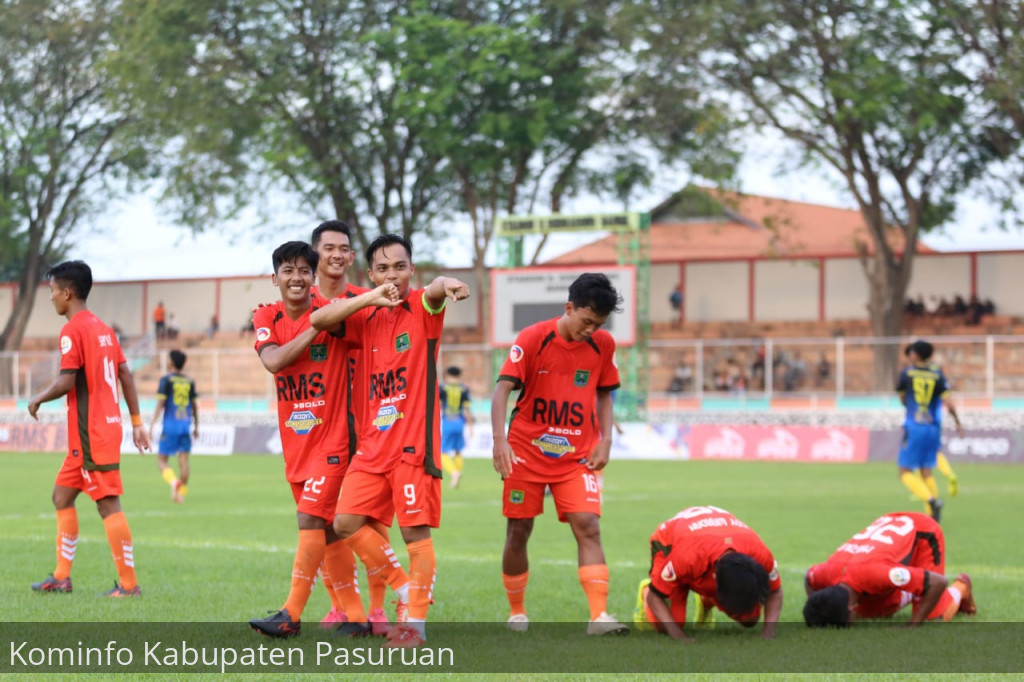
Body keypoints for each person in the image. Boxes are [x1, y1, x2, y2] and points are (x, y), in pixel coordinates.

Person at [311, 233, 471, 648]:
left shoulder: (421, 307)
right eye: (382, 269)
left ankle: (414, 628)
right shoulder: (363, 316)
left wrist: (446, 282)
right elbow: (319, 321)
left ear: (411, 270)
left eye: (400, 267)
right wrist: (368, 298)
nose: (392, 276)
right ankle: (405, 589)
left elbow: (435, 292)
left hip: (412, 445)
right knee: (344, 522)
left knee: (415, 535)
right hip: (372, 447)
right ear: (370, 275)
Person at [248, 241, 400, 640]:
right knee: (330, 531)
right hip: (296, 442)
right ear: (276, 277)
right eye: (287, 271)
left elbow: (361, 320)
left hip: (335, 439)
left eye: (303, 271)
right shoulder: (266, 313)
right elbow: (274, 361)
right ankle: (355, 616)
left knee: (310, 520)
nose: (296, 278)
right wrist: (311, 330)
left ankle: (290, 614)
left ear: (313, 278)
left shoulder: (331, 313)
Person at [491, 272, 628, 636]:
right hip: (525, 454)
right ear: (569, 308)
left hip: (575, 456)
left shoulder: (603, 345)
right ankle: (517, 612)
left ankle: (599, 617)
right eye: (586, 321)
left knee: (589, 526)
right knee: (519, 530)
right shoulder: (533, 338)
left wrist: (606, 440)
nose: (591, 330)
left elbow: (604, 393)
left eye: (598, 324)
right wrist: (499, 440)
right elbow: (502, 390)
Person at [27, 260, 150, 597]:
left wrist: (38, 397)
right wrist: (136, 423)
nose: (51, 297)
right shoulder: (103, 328)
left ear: (68, 292)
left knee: (108, 505)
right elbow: (125, 374)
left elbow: (68, 380)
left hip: (92, 433)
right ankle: (61, 577)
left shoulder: (73, 330)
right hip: (95, 433)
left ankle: (129, 585)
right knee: (61, 495)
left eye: (52, 291)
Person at [310, 219, 393, 635]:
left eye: (345, 248)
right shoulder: (300, 301)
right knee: (325, 526)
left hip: (367, 430)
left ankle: (377, 609)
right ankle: (342, 605)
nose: (338, 254)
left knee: (371, 522)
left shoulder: (369, 299)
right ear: (316, 253)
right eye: (330, 248)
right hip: (314, 434)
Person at [633, 505, 783, 641]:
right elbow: (656, 597)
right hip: (670, 545)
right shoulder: (687, 557)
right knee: (670, 623)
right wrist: (679, 636)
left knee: (749, 618)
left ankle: (706, 600)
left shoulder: (761, 555)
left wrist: (768, 633)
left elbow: (775, 592)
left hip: (709, 546)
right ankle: (646, 590)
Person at [803, 511, 976, 627]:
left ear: (851, 608)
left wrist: (913, 625)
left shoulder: (876, 574)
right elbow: (808, 578)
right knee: (871, 612)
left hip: (923, 534)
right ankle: (913, 588)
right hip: (886, 541)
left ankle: (962, 587)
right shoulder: (824, 574)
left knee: (933, 616)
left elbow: (938, 582)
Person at [896, 340, 964, 522]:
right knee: (926, 471)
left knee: (904, 471)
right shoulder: (937, 375)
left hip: (915, 426)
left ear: (916, 355)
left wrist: (910, 405)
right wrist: (958, 423)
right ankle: (931, 516)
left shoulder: (906, 374)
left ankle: (931, 501)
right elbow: (949, 403)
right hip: (933, 428)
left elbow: (903, 399)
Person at [149, 349, 199, 503]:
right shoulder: (190, 381)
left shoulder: (166, 380)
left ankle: (174, 483)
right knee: (184, 463)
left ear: (171, 362)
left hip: (170, 426)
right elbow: (195, 406)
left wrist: (151, 425)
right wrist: (197, 426)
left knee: (162, 461)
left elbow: (160, 404)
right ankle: (180, 493)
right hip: (185, 425)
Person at [439, 366, 473, 489]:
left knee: (443, 452)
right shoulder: (464, 389)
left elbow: (437, 406)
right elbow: (467, 410)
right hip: (459, 423)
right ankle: (457, 473)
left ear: (447, 374)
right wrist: (471, 427)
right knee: (458, 451)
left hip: (448, 422)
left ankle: (454, 473)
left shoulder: (442, 387)